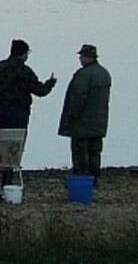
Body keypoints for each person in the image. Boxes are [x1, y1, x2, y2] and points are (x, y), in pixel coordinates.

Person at [0, 39, 56, 154]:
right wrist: (50, 83)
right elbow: (40, 91)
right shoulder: (25, 71)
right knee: (14, 145)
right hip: (18, 111)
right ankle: (10, 170)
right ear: (23, 54)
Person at [57, 43, 112, 187]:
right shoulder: (104, 73)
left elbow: (78, 97)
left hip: (82, 123)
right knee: (95, 152)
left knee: (80, 152)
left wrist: (72, 115)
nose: (80, 59)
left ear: (87, 57)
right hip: (99, 121)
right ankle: (94, 179)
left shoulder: (84, 74)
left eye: (81, 56)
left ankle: (80, 180)